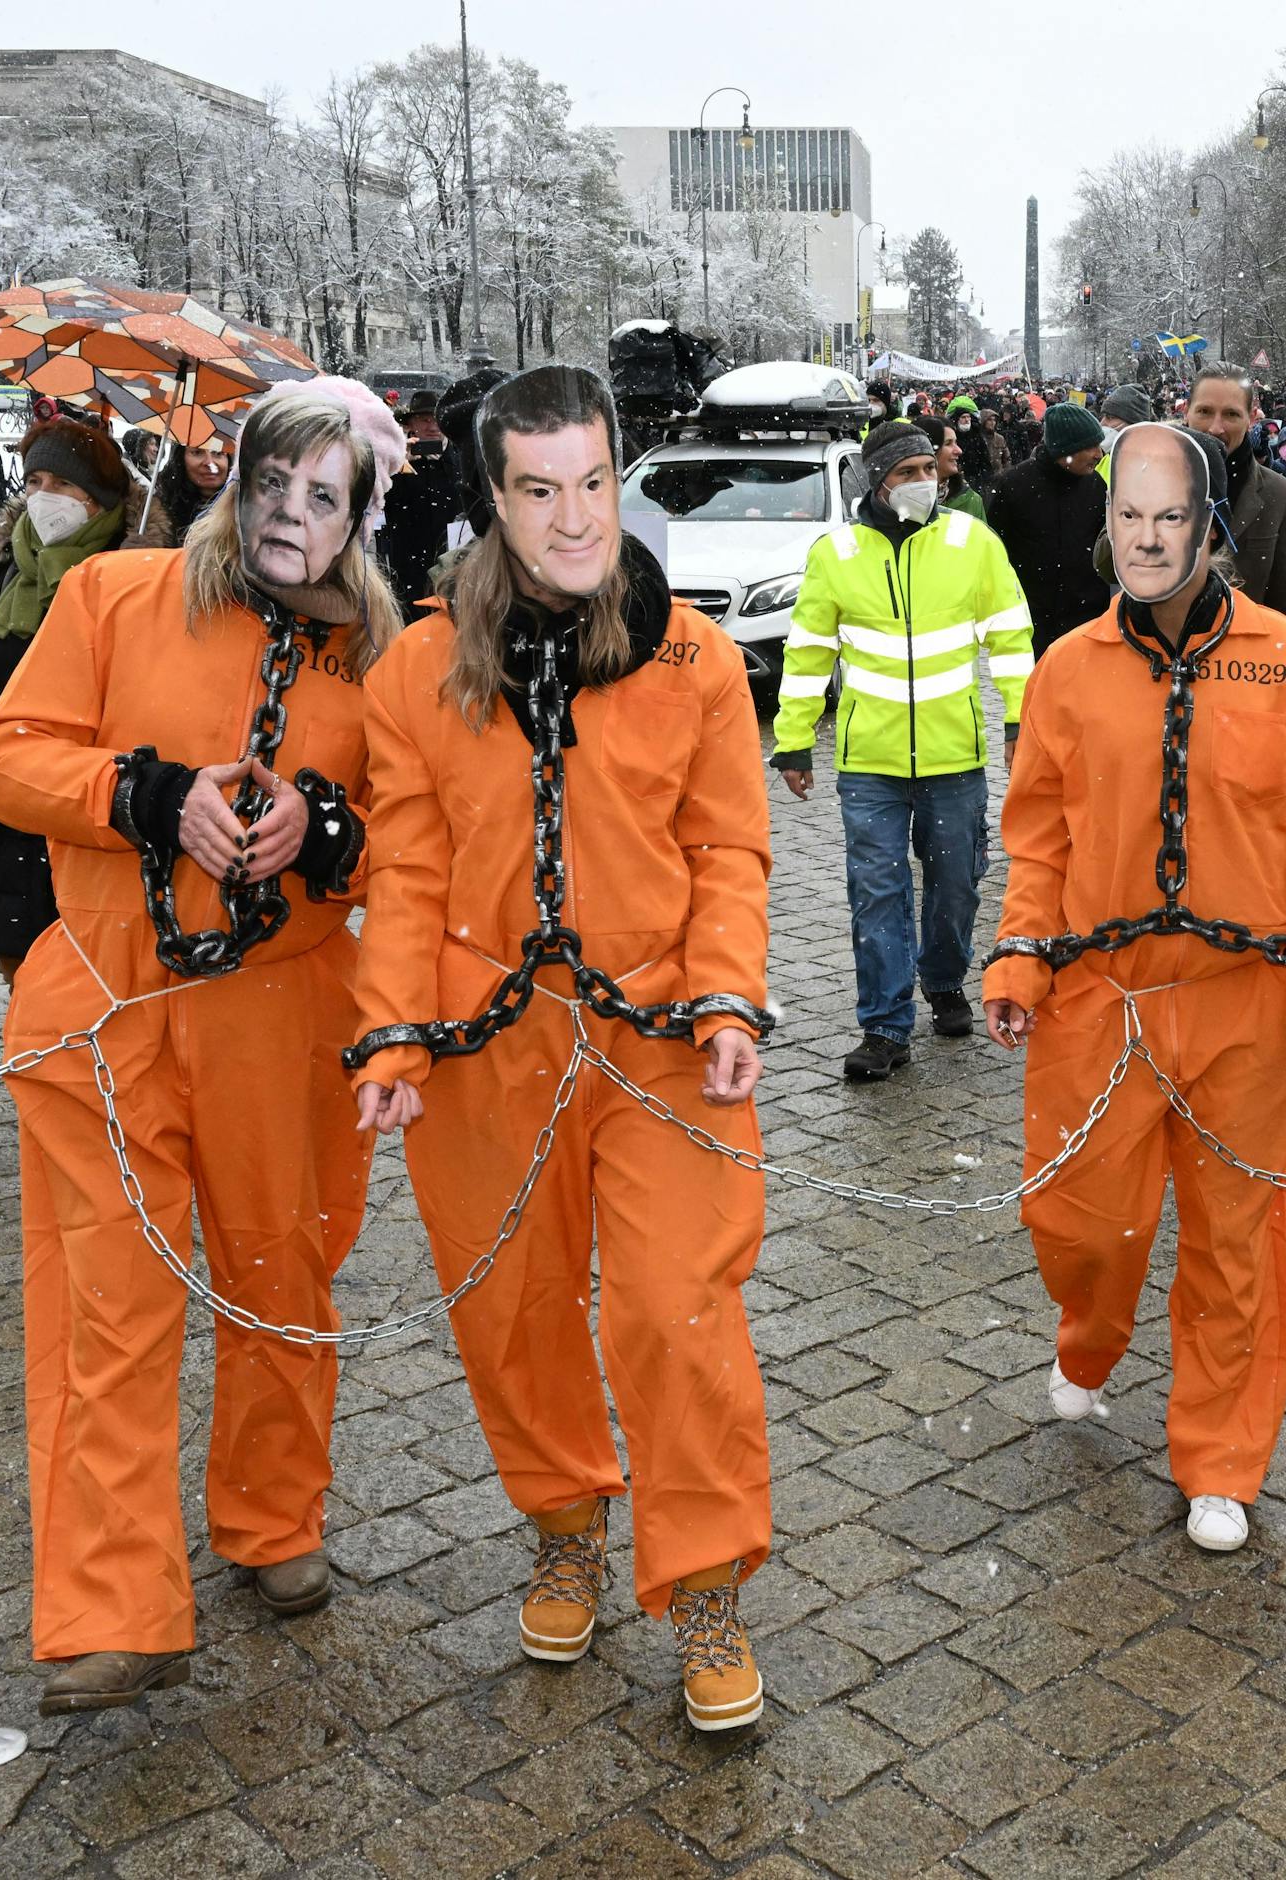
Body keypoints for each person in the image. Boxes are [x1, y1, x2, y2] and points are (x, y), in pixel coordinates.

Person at [349, 364, 775, 1730]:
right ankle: (564, 1519)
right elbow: (407, 869)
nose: (576, 518)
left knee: (676, 1310)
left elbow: (727, 849)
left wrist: (726, 998)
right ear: (494, 497)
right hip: (488, 1042)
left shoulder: (695, 657)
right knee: (514, 1314)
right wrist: (392, 1037)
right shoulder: (418, 668)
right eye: (541, 492)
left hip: (655, 1036)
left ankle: (701, 1575)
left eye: (594, 483)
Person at [0, 378, 402, 1713]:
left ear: (358, 520)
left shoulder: (383, 658)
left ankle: (274, 1519)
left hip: (283, 1018)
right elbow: (3, 754)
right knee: (107, 1304)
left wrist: (325, 835)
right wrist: (149, 795)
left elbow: (416, 836)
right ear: (238, 481)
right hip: (105, 1004)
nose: (293, 512)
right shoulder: (114, 597)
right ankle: (114, 1605)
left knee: (285, 1272)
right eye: (276, 479)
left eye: (325, 495)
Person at [983, 421, 1286, 1554]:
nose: (1147, 537)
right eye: (1127, 515)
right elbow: (1040, 837)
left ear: (1208, 527)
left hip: (1241, 997)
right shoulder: (1066, 667)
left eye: (1169, 515)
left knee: (1233, 1237)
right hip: (1096, 993)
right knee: (1078, 1217)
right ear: (1103, 527)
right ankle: (1087, 1334)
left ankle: (1218, 1455)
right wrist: (1019, 952)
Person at [773, 420, 1030, 1080]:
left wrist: (1019, 722)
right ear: (877, 482)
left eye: (928, 470)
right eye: (907, 473)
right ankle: (884, 1025)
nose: (923, 482)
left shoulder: (972, 542)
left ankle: (943, 980)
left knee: (955, 886)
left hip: (954, 757)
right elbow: (807, 655)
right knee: (877, 891)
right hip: (869, 764)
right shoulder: (837, 555)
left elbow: (1010, 636)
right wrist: (794, 740)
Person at [0, 417, 132, 984]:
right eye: (35, 480)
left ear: (100, 498)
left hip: (90, 801)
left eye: (63, 485)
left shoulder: (132, 571)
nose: (45, 498)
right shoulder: (9, 564)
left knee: (85, 967)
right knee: (17, 955)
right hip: (10, 799)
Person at [1183, 363, 1286, 631]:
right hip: (1159, 662)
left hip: (1243, 662)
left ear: (1252, 418)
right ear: (1186, 411)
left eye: (1231, 414)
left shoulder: (1280, 496)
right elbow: (1106, 564)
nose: (1215, 428)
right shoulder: (1149, 480)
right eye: (1205, 412)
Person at [985, 402, 1109, 658]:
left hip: (1085, 621)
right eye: (1090, 446)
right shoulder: (1013, 485)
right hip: (1031, 623)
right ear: (1066, 448)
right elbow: (995, 556)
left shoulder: (1096, 485)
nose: (1099, 454)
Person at [378, 389, 462, 620]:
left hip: (451, 560)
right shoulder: (396, 460)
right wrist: (398, 464)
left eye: (437, 420)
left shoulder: (458, 457)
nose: (432, 426)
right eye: (425, 420)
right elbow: (381, 500)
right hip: (408, 561)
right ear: (411, 424)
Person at [124, 436, 233, 550]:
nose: (210, 462)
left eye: (218, 453)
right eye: (197, 452)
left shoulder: (244, 510)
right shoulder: (157, 514)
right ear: (181, 459)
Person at [913, 414, 986, 522]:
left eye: (956, 442)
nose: (959, 451)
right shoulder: (901, 500)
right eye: (948, 443)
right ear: (926, 449)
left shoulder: (971, 500)